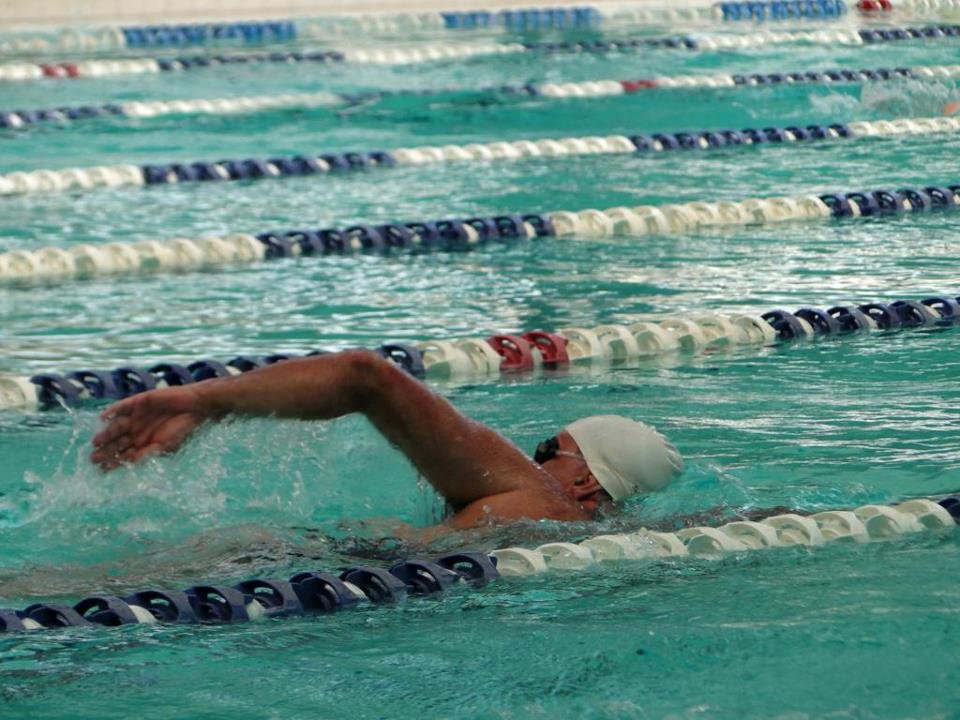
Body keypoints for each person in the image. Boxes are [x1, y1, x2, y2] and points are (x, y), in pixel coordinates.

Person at [91, 349, 684, 532]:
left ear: (584, 480)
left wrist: (203, 401)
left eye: (544, 450)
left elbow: (365, 377)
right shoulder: (576, 542)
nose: (527, 459)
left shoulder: (535, 499)